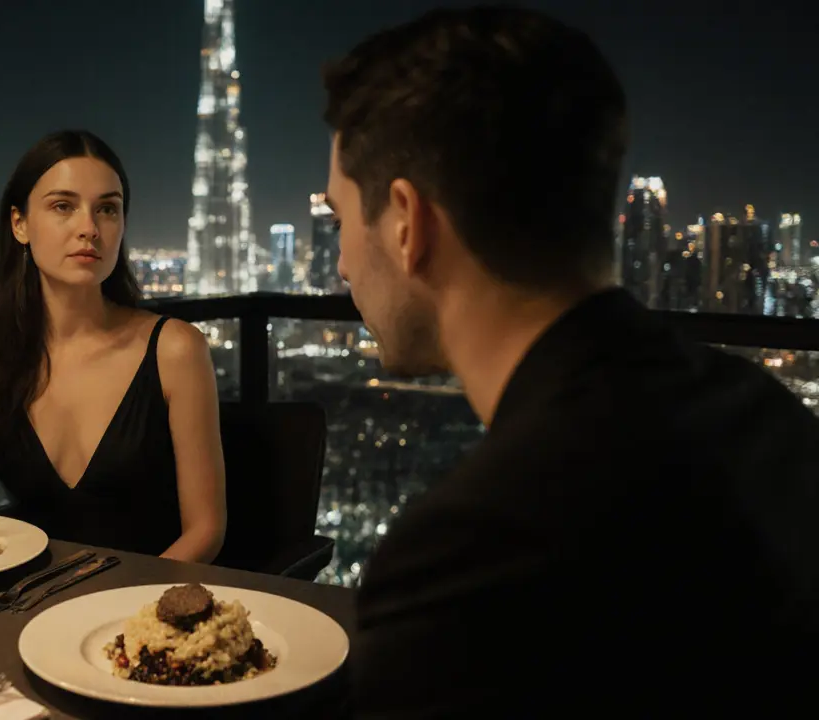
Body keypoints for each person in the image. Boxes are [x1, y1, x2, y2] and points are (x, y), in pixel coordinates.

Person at [322, 6, 819, 717]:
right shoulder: (762, 413)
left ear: (407, 222)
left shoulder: (475, 552)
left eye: (341, 219)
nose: (340, 261)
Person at [0, 130, 226, 563]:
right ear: (20, 224)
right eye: (63, 206)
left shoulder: (175, 349)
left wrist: (120, 611)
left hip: (138, 613)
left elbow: (206, 531)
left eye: (108, 209)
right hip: (26, 599)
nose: (89, 229)